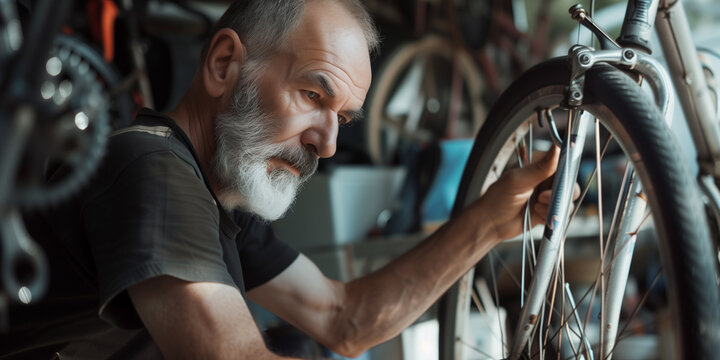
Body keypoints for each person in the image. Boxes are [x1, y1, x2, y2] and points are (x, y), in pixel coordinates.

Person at [1, 0, 567, 359]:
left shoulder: (218, 197)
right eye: (313, 95)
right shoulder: (151, 169)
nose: (329, 143)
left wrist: (491, 221)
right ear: (224, 65)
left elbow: (344, 320)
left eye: (341, 118)